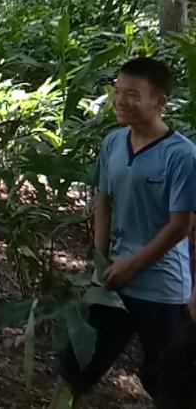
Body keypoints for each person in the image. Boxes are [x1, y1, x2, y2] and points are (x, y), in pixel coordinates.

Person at [55, 57, 196, 408]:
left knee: (168, 380)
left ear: (159, 100)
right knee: (77, 366)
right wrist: (101, 259)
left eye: (132, 94)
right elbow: (102, 200)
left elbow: (181, 225)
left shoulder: (182, 156)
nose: (120, 101)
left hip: (162, 289)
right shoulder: (113, 143)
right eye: (117, 91)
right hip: (112, 282)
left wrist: (132, 265)